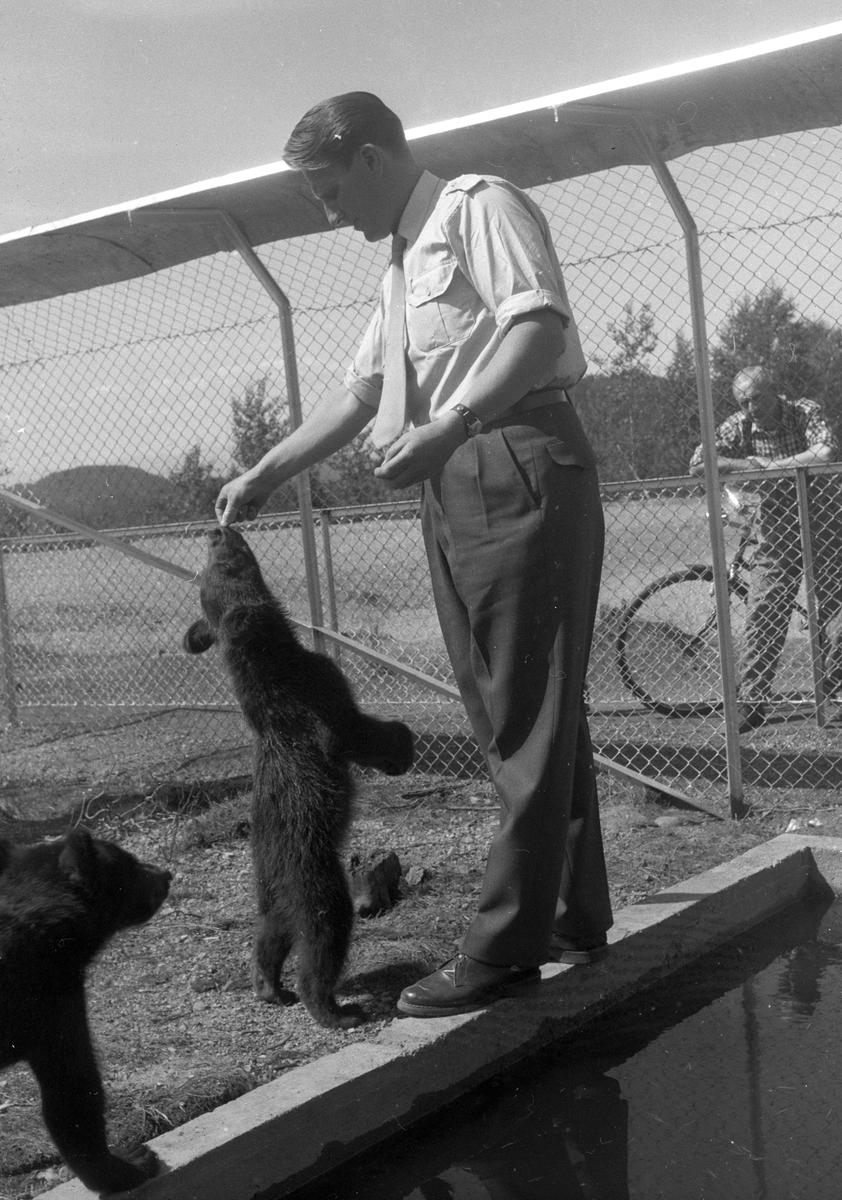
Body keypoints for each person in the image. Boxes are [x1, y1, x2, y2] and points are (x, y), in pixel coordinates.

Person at [214, 92, 613, 1018]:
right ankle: (567, 912)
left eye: (324, 188)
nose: (324, 210)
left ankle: (504, 950)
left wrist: (454, 424)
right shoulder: (404, 258)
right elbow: (359, 392)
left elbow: (538, 325)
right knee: (517, 702)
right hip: (457, 475)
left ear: (369, 157)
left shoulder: (477, 206)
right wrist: (266, 473)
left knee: (526, 707)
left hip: (511, 454)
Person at [690, 366, 842, 733]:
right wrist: (747, 465)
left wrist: (772, 467)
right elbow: (699, 462)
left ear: (774, 392)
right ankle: (752, 701)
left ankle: (836, 695)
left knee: (837, 603)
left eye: (756, 398)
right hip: (777, 521)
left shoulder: (804, 411)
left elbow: (825, 450)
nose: (751, 408)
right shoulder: (738, 426)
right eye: (743, 402)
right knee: (764, 607)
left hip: (823, 513)